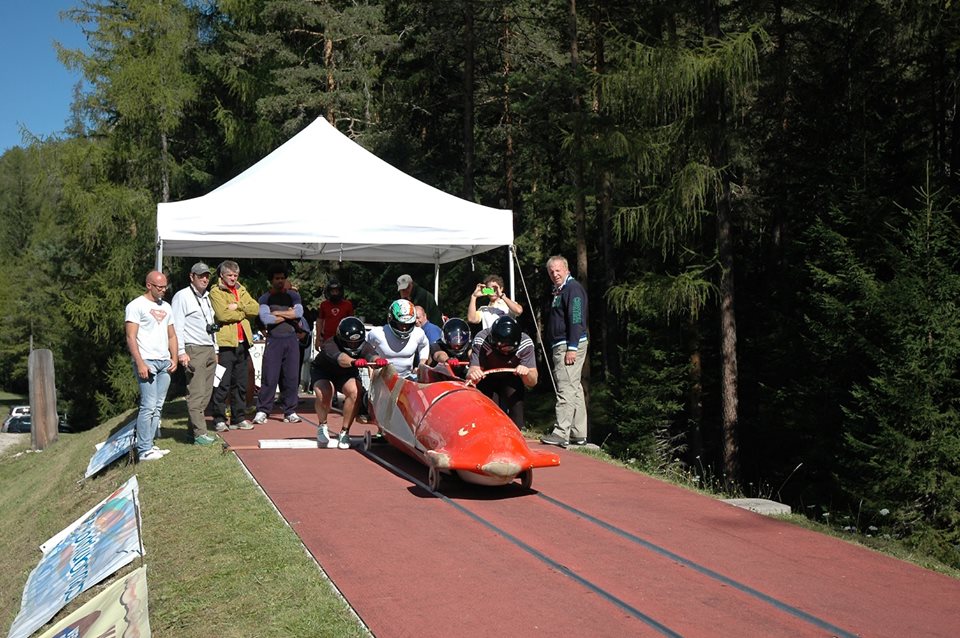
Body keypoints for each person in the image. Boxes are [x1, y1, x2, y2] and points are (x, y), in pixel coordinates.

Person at [125, 270, 178, 461]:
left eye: (165, 286)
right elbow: (131, 336)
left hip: (164, 361)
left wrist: (175, 358)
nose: (163, 290)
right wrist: (139, 362)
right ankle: (143, 448)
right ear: (149, 285)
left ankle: (151, 444)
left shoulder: (167, 307)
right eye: (160, 287)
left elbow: (172, 334)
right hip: (146, 360)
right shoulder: (136, 305)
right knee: (147, 405)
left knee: (158, 405)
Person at [539, 255, 589, 447]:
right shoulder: (558, 291)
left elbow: (576, 317)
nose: (555, 274)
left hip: (568, 344)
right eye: (551, 271)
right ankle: (578, 433)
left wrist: (572, 347)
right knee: (574, 387)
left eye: (558, 270)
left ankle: (561, 432)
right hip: (561, 344)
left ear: (567, 270)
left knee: (565, 387)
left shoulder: (572, 288)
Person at [171, 262, 219, 445]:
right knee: (196, 393)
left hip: (208, 348)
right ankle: (200, 434)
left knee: (206, 394)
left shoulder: (207, 297)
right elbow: (177, 326)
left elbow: (211, 325)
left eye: (207, 275)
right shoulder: (182, 296)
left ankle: (192, 433)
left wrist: (215, 349)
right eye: (201, 276)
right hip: (193, 349)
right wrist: (181, 352)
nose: (205, 279)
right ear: (192, 277)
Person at [209, 260, 260, 431]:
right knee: (223, 383)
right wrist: (242, 313)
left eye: (235, 275)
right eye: (229, 275)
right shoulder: (216, 291)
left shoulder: (241, 289)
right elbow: (222, 314)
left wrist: (237, 306)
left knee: (241, 382)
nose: (232, 278)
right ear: (222, 275)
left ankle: (239, 418)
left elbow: (256, 309)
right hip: (225, 344)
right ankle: (219, 419)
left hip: (242, 342)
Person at [311, 316, 374, 450]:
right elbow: (341, 359)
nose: (353, 346)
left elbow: (372, 355)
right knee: (325, 393)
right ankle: (322, 425)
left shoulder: (364, 345)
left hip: (346, 374)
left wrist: (378, 361)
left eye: (356, 343)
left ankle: (345, 432)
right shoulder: (330, 344)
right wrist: (354, 361)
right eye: (349, 343)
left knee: (355, 391)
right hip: (324, 371)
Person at [253, 264, 304, 424]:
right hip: (274, 340)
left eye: (283, 278)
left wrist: (277, 313)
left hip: (291, 339)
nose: (280, 281)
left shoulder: (293, 296)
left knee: (291, 377)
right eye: (277, 278)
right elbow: (266, 319)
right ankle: (262, 410)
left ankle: (290, 411)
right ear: (271, 280)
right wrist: (288, 315)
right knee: (270, 376)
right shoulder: (264, 298)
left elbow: (299, 313)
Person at [466, 316, 538, 429]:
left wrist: (526, 372)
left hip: (511, 378)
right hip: (487, 378)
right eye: (502, 348)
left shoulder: (525, 344)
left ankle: (516, 431)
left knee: (517, 419)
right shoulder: (481, 340)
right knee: (488, 414)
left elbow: (533, 381)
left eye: (509, 349)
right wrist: (474, 374)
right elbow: (473, 370)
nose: (505, 353)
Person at [365, 299, 429, 380]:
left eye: (408, 324)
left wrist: (422, 363)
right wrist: (370, 368)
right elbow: (365, 348)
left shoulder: (418, 333)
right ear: (391, 320)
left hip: (407, 379)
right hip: (382, 380)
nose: (404, 328)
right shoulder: (377, 333)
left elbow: (424, 345)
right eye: (401, 324)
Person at [315, 278, 354, 347]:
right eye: (332, 291)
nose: (335, 294)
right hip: (327, 338)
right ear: (329, 292)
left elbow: (351, 322)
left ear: (340, 291)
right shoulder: (324, 305)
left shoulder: (348, 305)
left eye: (336, 291)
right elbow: (319, 322)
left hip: (343, 338)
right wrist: (318, 339)